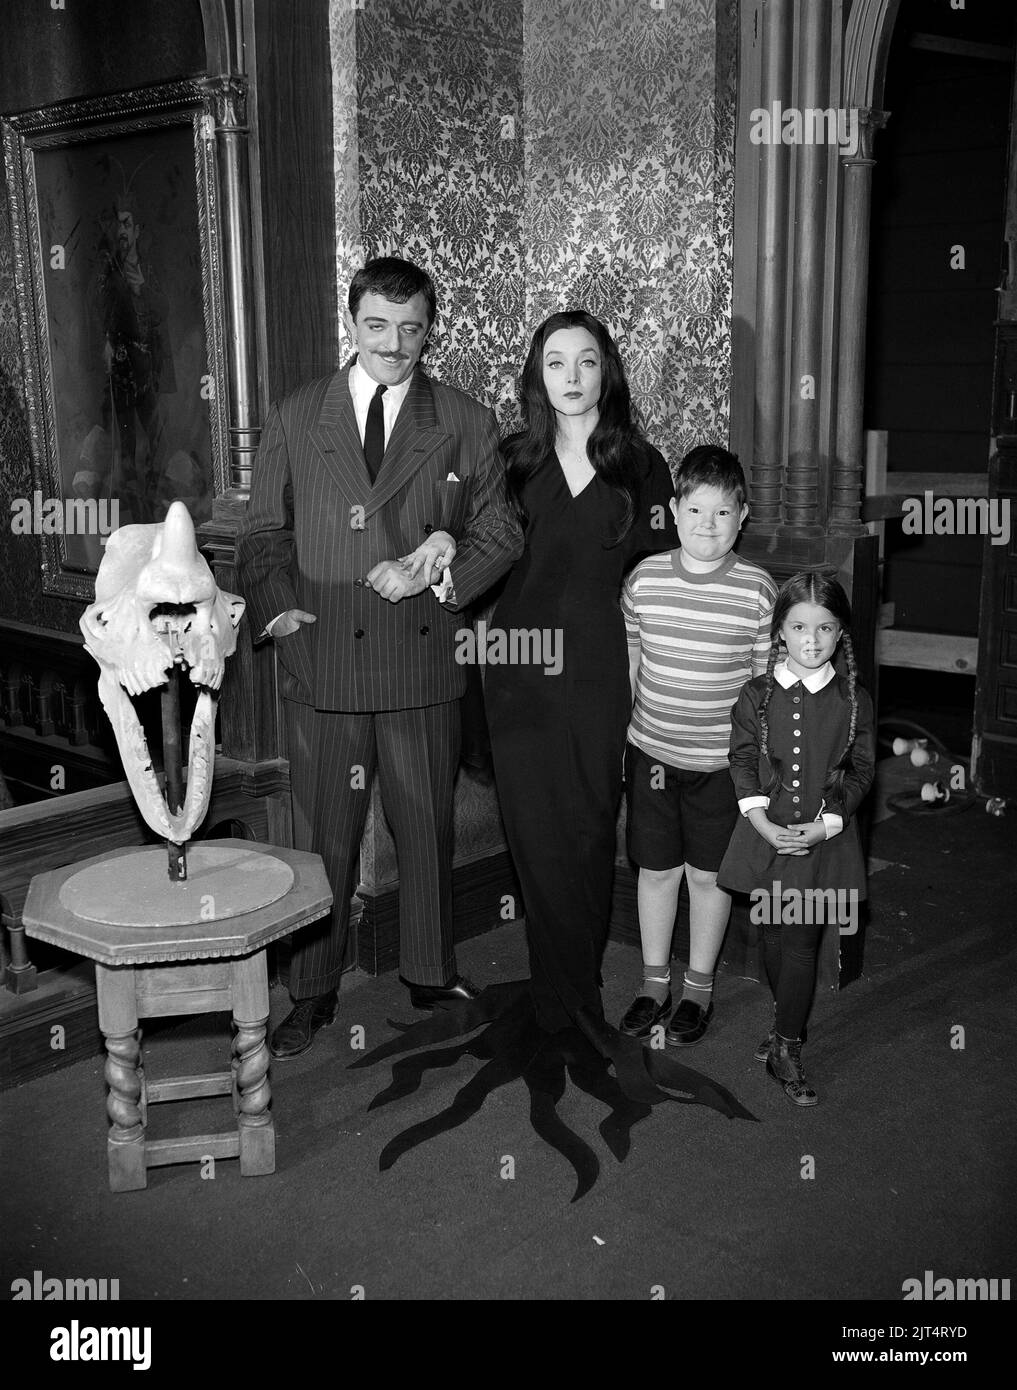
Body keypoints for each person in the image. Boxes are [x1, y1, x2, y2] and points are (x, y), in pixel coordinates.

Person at [237, 256, 523, 1059]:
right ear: (351, 323)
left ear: (430, 331)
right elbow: (263, 534)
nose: (394, 344)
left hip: (420, 663)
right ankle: (314, 990)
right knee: (324, 833)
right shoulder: (296, 416)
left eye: (411, 329)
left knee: (424, 825)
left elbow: (501, 531)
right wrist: (275, 608)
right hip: (320, 660)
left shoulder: (464, 419)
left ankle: (429, 971)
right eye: (377, 326)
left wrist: (443, 570)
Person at [485, 309, 678, 1037]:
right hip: (517, 671)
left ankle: (576, 979)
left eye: (586, 361)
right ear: (537, 373)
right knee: (533, 832)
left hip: (602, 669)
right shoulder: (510, 461)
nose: (571, 376)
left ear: (607, 370)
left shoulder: (641, 463)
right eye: (556, 361)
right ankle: (560, 993)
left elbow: (660, 578)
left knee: (592, 829)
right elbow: (474, 555)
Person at [619, 446, 778, 1045]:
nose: (707, 526)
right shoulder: (645, 579)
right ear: (674, 511)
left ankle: (698, 988)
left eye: (722, 513)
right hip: (652, 755)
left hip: (721, 768)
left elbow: (767, 688)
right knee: (657, 872)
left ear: (744, 516)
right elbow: (632, 662)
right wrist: (621, 745)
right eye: (695, 511)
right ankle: (653, 982)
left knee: (707, 878)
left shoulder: (759, 592)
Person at [717, 572, 875, 1105]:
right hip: (764, 836)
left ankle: (787, 1044)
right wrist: (761, 823)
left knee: (803, 941)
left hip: (824, 844)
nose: (812, 639)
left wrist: (827, 822)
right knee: (772, 936)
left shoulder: (854, 700)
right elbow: (740, 759)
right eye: (800, 626)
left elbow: (861, 771)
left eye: (825, 628)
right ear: (780, 632)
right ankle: (784, 1021)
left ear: (839, 634)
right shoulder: (756, 694)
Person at [77, 195, 174, 525]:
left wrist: (142, 289)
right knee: (126, 448)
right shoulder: (107, 274)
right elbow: (98, 313)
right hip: (121, 374)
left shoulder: (146, 270)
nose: (122, 230)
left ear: (137, 231)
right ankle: (131, 516)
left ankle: (154, 506)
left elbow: (164, 311)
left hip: (148, 372)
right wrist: (106, 341)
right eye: (117, 223)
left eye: (127, 223)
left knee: (157, 441)